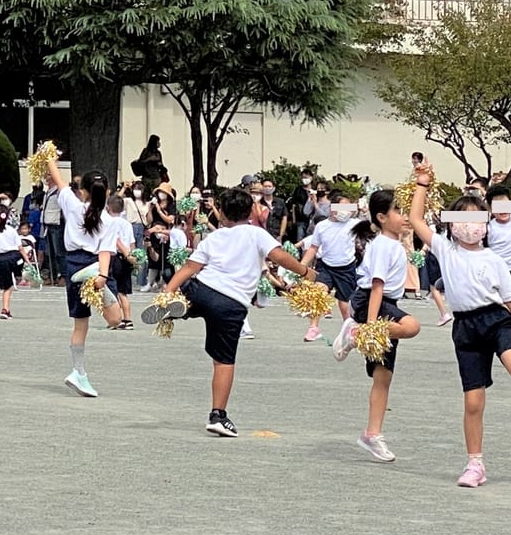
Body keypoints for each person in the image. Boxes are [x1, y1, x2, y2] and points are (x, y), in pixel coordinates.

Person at [141, 186, 315, 436]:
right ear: (251, 211)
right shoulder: (257, 234)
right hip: (230, 303)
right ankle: (218, 416)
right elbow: (278, 256)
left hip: (202, 288)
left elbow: (190, 267)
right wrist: (305, 272)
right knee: (223, 361)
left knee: (189, 293)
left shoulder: (215, 237)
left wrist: (167, 290)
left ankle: (177, 305)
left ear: (221, 213)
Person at [406, 172, 511, 488]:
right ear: (452, 225)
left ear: (485, 224)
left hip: (497, 320)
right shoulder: (445, 249)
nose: (470, 226)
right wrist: (422, 184)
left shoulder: (493, 259)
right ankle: (475, 465)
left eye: (477, 219)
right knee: (472, 402)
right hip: (465, 327)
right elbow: (415, 218)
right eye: (463, 219)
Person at [330, 190, 422, 464]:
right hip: (372, 301)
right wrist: (371, 325)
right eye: (398, 211)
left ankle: (372, 434)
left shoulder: (394, 243)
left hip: (382, 303)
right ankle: (356, 332)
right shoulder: (383, 245)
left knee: (383, 378)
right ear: (382, 217)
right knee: (412, 325)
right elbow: (377, 286)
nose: (404, 216)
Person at [45, 165, 124, 398]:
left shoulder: (72, 205)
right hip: (92, 265)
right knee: (116, 318)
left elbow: (59, 180)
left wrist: (49, 157)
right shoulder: (109, 220)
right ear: (107, 191)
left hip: (72, 264)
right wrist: (102, 275)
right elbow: (106, 251)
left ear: (82, 191)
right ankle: (78, 374)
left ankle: (78, 371)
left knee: (81, 324)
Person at [299, 190, 358, 343]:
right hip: (325, 265)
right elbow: (313, 247)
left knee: (344, 303)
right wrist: (302, 266)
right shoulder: (322, 226)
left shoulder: (355, 224)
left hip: (346, 267)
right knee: (318, 293)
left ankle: (349, 328)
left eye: (348, 208)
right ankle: (313, 328)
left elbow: (372, 233)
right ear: (333, 207)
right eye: (342, 207)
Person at [103, 194, 137, 329]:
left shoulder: (109, 222)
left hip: (115, 257)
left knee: (114, 289)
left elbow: (115, 240)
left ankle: (116, 318)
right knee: (124, 291)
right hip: (127, 259)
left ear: (108, 207)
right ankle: (128, 319)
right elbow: (132, 243)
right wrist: (132, 256)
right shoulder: (127, 224)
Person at [41, 176, 65, 285]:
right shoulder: (48, 192)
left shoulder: (58, 191)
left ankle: (63, 276)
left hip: (56, 224)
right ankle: (53, 276)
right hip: (48, 224)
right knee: (49, 253)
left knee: (59, 252)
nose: (46, 178)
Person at [123, 182, 150, 253]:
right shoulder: (128, 200)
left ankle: (140, 263)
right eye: (135, 189)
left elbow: (148, 220)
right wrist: (124, 188)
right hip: (131, 226)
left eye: (139, 189)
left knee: (141, 250)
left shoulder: (147, 204)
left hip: (142, 227)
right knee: (131, 249)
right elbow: (117, 200)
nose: (137, 191)